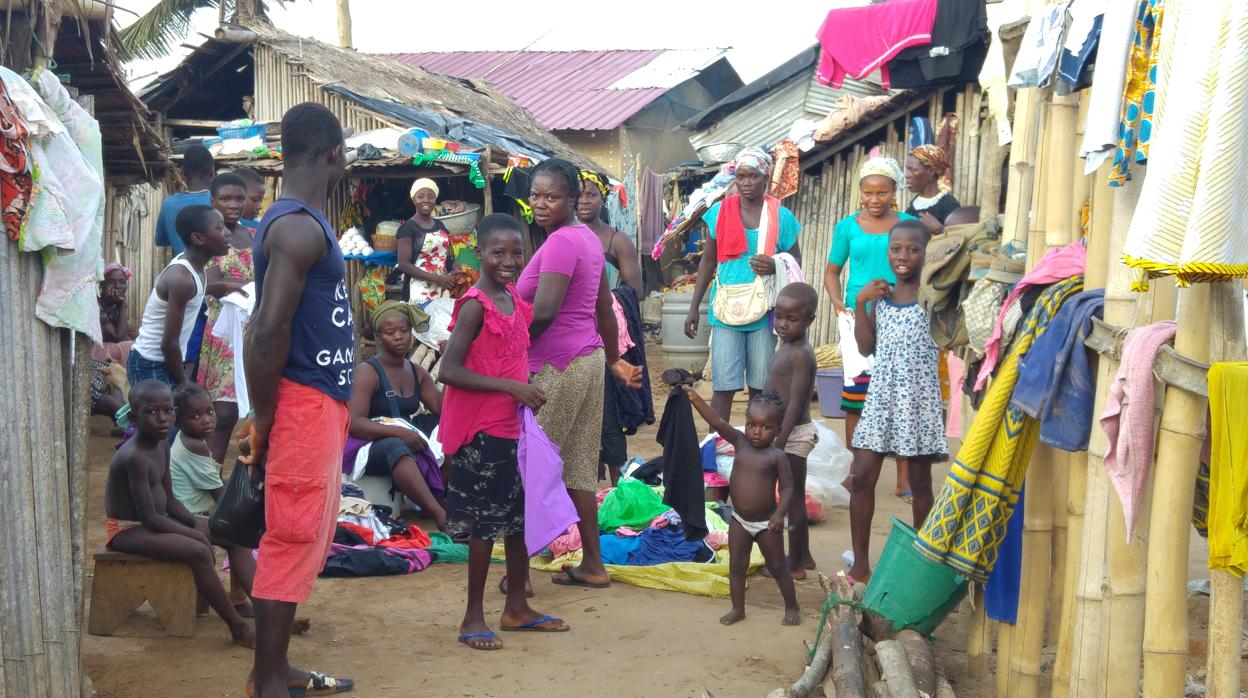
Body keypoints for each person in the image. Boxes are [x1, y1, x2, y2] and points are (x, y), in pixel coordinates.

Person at [238, 102, 355, 698]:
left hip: (317, 400)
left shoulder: (301, 222)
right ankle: (267, 680)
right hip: (303, 400)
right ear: (334, 153)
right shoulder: (295, 227)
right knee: (290, 534)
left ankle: (275, 669)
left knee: (304, 530)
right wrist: (265, 416)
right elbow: (266, 330)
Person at [439, 212, 570, 650]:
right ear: (479, 254)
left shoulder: (511, 296)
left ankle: (516, 606)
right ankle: (472, 618)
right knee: (483, 525)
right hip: (482, 429)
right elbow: (450, 369)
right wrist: (510, 386)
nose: (509, 260)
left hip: (513, 426)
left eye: (517, 252)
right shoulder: (476, 304)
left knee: (515, 518)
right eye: (498, 252)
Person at [517, 158, 641, 590]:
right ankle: (593, 563)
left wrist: (505, 345)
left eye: (552, 196)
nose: (541, 204)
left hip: (556, 366)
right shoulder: (588, 239)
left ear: (573, 198)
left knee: (532, 464)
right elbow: (604, 308)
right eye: (536, 195)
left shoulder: (560, 245)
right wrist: (611, 359)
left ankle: (521, 575)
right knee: (579, 469)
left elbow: (546, 311)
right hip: (587, 363)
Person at [103, 380, 255, 647]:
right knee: (198, 550)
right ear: (133, 417)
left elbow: (170, 502)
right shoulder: (134, 456)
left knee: (230, 533)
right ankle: (238, 628)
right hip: (128, 529)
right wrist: (193, 533)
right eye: (151, 412)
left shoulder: (161, 445)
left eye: (169, 410)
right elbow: (149, 517)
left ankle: (261, 607)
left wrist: (195, 524)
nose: (162, 418)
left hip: (157, 521)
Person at [845, 220, 947, 584]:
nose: (902, 256)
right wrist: (860, 303)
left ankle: (922, 564)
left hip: (917, 402)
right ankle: (860, 564)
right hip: (881, 398)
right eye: (896, 249)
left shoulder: (933, 296)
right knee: (861, 478)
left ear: (925, 252)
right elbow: (865, 347)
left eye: (912, 249)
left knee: (920, 484)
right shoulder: (881, 298)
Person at [823, 157, 918, 502]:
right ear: (860, 193)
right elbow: (832, 270)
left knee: (901, 397)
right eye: (868, 192)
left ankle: (904, 480)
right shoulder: (848, 227)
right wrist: (838, 304)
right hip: (857, 315)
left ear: (894, 191)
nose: (875, 199)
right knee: (857, 398)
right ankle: (856, 472)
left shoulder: (909, 224)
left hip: (900, 315)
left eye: (882, 192)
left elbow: (922, 269)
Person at [684, 147, 802, 422]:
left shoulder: (780, 217)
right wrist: (693, 308)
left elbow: (795, 260)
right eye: (741, 176)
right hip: (726, 309)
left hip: (763, 311)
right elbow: (707, 262)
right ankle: (716, 446)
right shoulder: (718, 213)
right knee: (723, 387)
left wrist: (776, 264)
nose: (747, 183)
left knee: (761, 387)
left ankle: (755, 450)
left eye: (753, 176)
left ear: (765, 177)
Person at [685, 387, 800, 626]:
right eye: (751, 424)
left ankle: (792, 606)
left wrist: (780, 513)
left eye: (765, 427)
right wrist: (695, 399)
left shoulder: (777, 456)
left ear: (778, 430)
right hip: (738, 520)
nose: (756, 432)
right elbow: (717, 421)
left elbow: (789, 488)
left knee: (778, 566)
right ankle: (738, 608)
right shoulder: (739, 442)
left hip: (766, 523)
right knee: (737, 565)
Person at [577, 169, 651, 485]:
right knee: (578, 413)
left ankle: (618, 486)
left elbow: (636, 289)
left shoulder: (615, 240)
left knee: (608, 413)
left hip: (605, 337)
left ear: (601, 198)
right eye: (578, 194)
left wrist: (602, 298)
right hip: (573, 338)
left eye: (590, 194)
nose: (583, 200)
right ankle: (583, 481)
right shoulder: (557, 237)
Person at [345, 301, 445, 529]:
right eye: (391, 333)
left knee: (448, 432)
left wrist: (448, 364)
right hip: (366, 443)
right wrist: (400, 433)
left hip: (400, 436)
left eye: (404, 331)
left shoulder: (416, 371)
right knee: (395, 447)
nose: (399, 337)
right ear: (379, 337)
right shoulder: (367, 372)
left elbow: (443, 410)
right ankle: (438, 513)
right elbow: (354, 423)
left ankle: (441, 499)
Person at [168, 383, 259, 617]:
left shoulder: (188, 439)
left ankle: (243, 601)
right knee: (238, 539)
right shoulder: (194, 446)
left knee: (237, 531)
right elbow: (222, 496)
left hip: (186, 514)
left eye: (209, 411)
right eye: (195, 416)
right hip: (186, 519)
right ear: (178, 420)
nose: (206, 419)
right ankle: (258, 605)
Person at [127, 205, 229, 387]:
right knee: (163, 414)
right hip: (152, 363)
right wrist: (183, 383)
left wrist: (227, 287)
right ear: (198, 238)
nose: (227, 233)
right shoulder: (182, 279)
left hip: (166, 360)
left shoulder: (197, 269)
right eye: (220, 227)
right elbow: (169, 343)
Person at [763, 283, 819, 580]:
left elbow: (797, 401)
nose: (782, 324)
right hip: (786, 432)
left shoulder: (801, 353)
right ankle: (804, 555)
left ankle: (794, 565)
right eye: (779, 317)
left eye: (792, 319)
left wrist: (780, 442)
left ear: (809, 320)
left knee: (792, 497)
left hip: (793, 434)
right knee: (793, 494)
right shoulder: (788, 345)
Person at [198, 172, 255, 462]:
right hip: (224, 336)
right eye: (226, 199)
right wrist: (240, 287)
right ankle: (209, 488)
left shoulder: (255, 236)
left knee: (257, 410)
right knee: (223, 413)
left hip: (255, 330)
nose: (233, 204)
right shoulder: (209, 238)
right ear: (213, 201)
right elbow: (209, 285)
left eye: (239, 199)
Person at [395, 178, 455, 303]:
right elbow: (403, 264)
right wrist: (437, 279)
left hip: (442, 289)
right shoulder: (408, 228)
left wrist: (455, 266)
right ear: (413, 200)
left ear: (435, 200)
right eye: (420, 196)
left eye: (431, 196)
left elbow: (444, 256)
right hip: (418, 292)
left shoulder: (440, 225)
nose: (426, 200)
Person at [92, 262, 134, 420]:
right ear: (102, 285)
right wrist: (122, 306)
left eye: (122, 282)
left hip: (106, 348)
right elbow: (118, 336)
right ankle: (124, 410)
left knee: (132, 347)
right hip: (93, 350)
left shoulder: (114, 304)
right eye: (112, 281)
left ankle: (124, 406)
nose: (118, 286)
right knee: (129, 347)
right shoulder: (97, 303)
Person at [154, 144, 213, 256]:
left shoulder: (169, 204)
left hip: (183, 270)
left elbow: (160, 240)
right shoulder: (219, 203)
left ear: (182, 172)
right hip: (217, 271)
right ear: (212, 171)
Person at [904, 145, 960, 236]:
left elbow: (961, 239)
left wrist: (940, 230)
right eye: (907, 169)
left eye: (913, 170)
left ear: (931, 172)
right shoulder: (911, 207)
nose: (907, 175)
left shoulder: (949, 205)